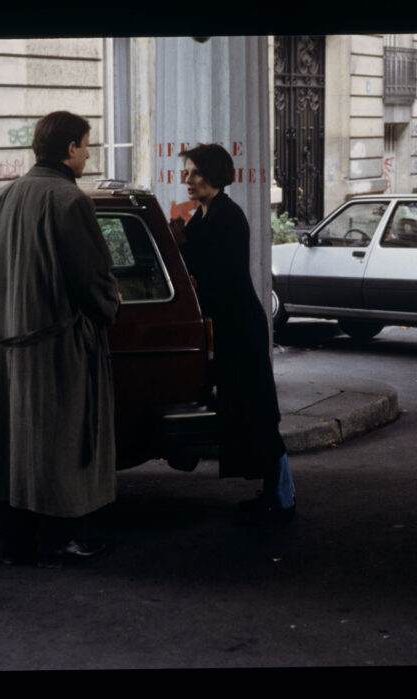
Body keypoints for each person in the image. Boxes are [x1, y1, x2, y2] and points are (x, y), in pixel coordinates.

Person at [0, 111, 122, 567]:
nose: (87, 153)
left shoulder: (4, 197)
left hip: (8, 346)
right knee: (65, 441)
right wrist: (109, 307)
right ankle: (64, 538)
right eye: (86, 145)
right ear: (69, 150)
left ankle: (18, 542)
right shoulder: (70, 200)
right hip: (59, 347)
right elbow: (93, 279)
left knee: (17, 443)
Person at [170, 143, 296, 526]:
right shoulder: (205, 214)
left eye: (194, 172)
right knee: (245, 410)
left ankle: (284, 495)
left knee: (258, 410)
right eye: (186, 172)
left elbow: (213, 273)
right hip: (230, 326)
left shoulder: (227, 216)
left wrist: (181, 244)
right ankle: (273, 493)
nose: (187, 179)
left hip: (240, 326)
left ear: (213, 174)